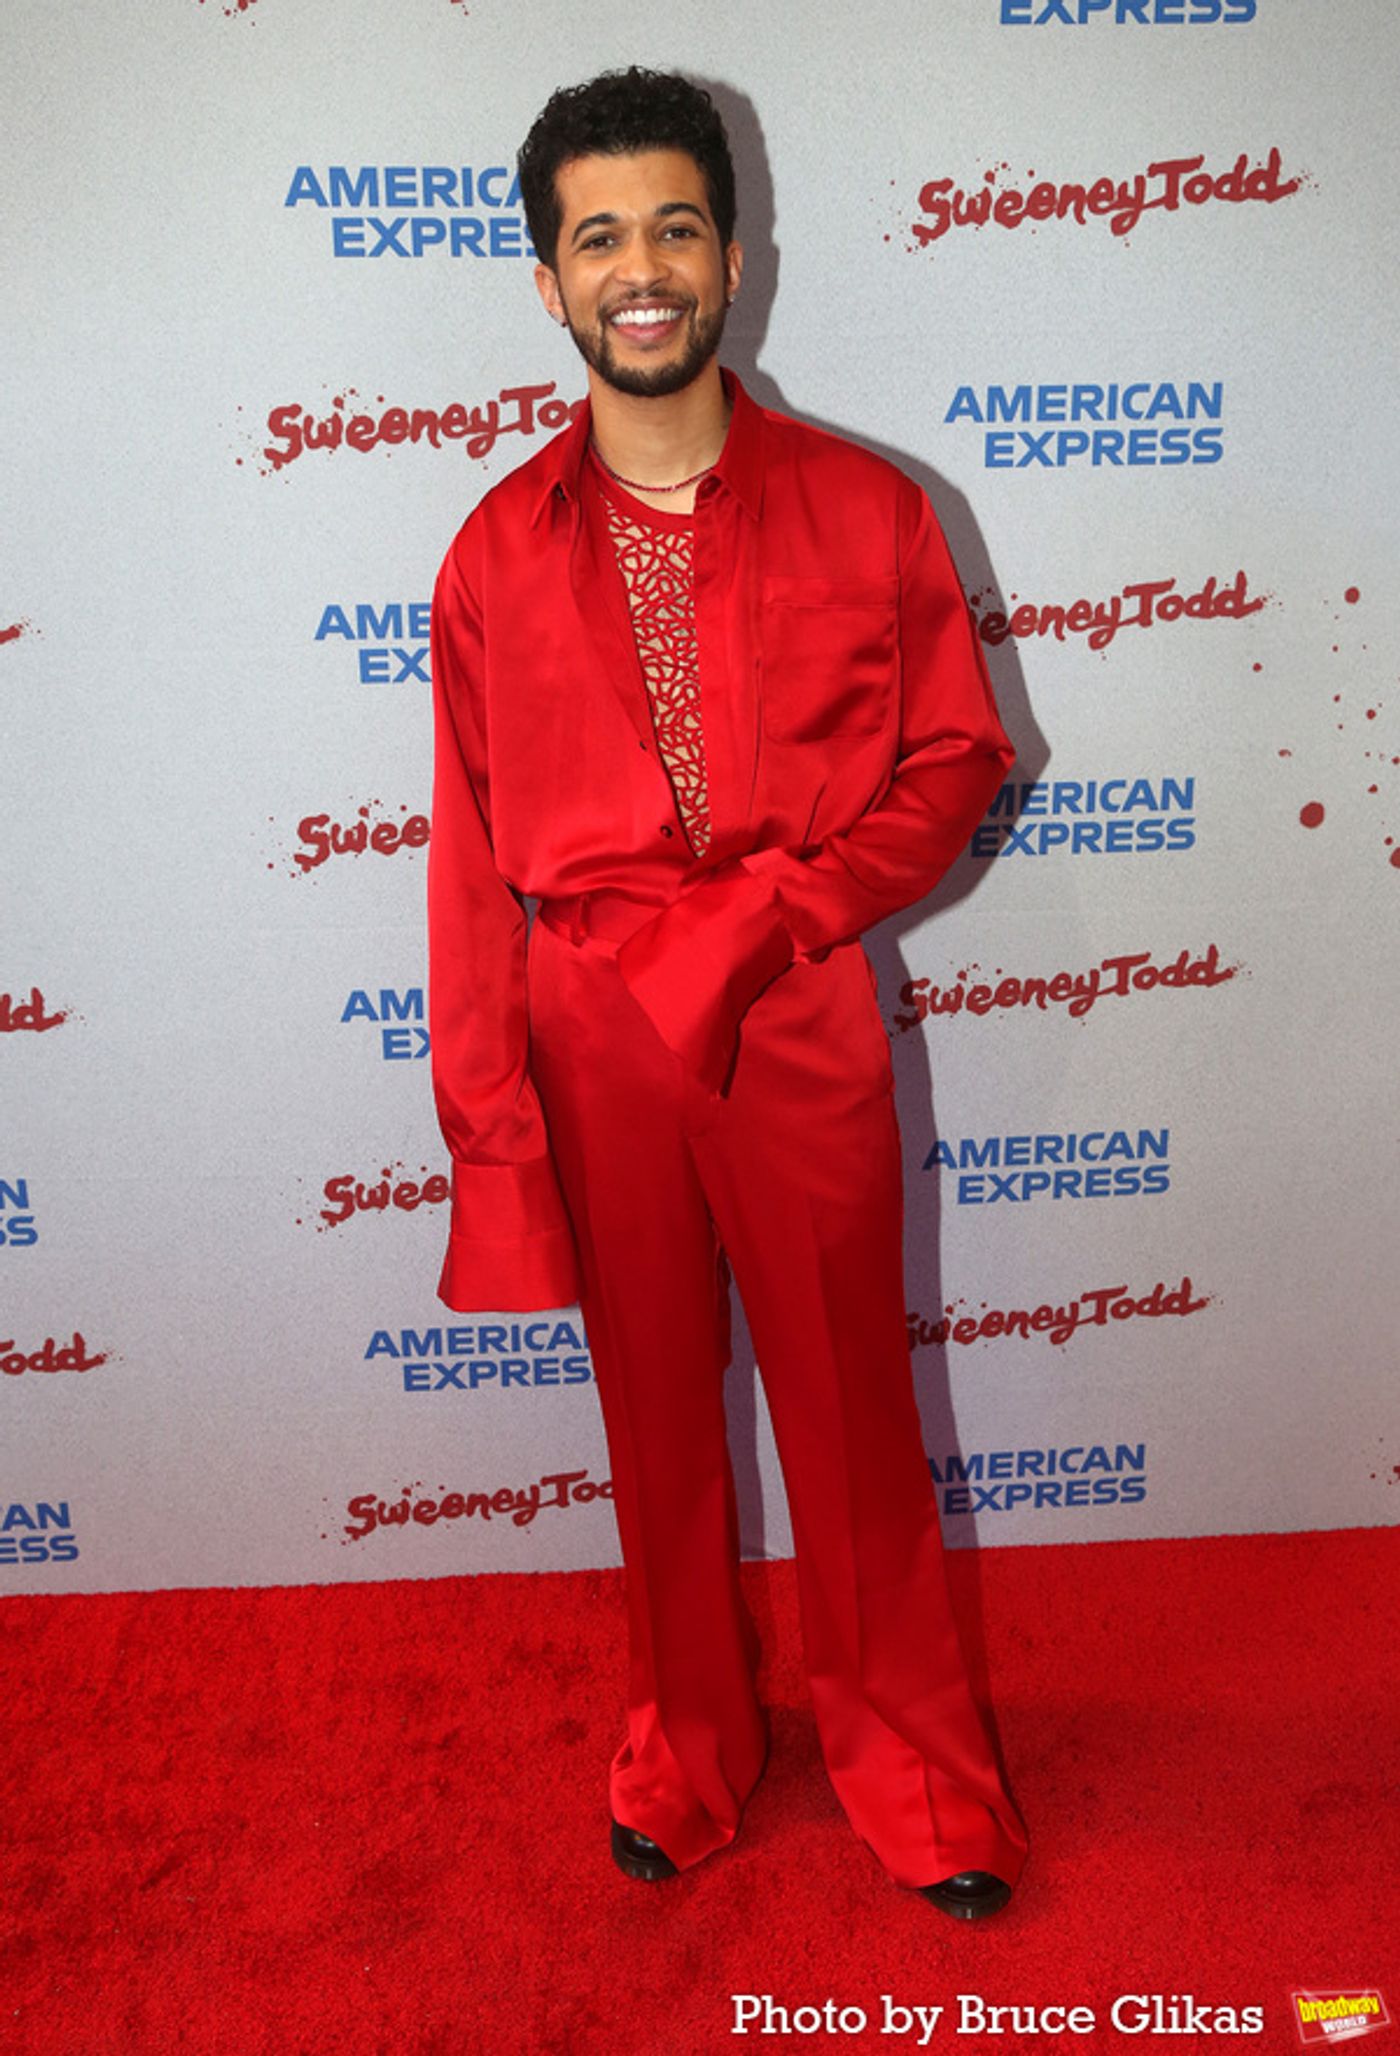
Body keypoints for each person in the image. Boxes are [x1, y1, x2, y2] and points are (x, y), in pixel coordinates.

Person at [427, 66, 1029, 1920]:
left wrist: (777, 912)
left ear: (735, 257)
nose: (642, 267)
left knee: (854, 1414)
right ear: (548, 281)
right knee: (657, 1422)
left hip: (799, 1009)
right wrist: (491, 1123)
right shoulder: (484, 554)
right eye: (597, 235)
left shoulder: (872, 510)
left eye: (674, 225)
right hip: (592, 1029)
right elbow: (465, 857)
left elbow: (951, 764)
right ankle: (687, 1750)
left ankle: (915, 1771)